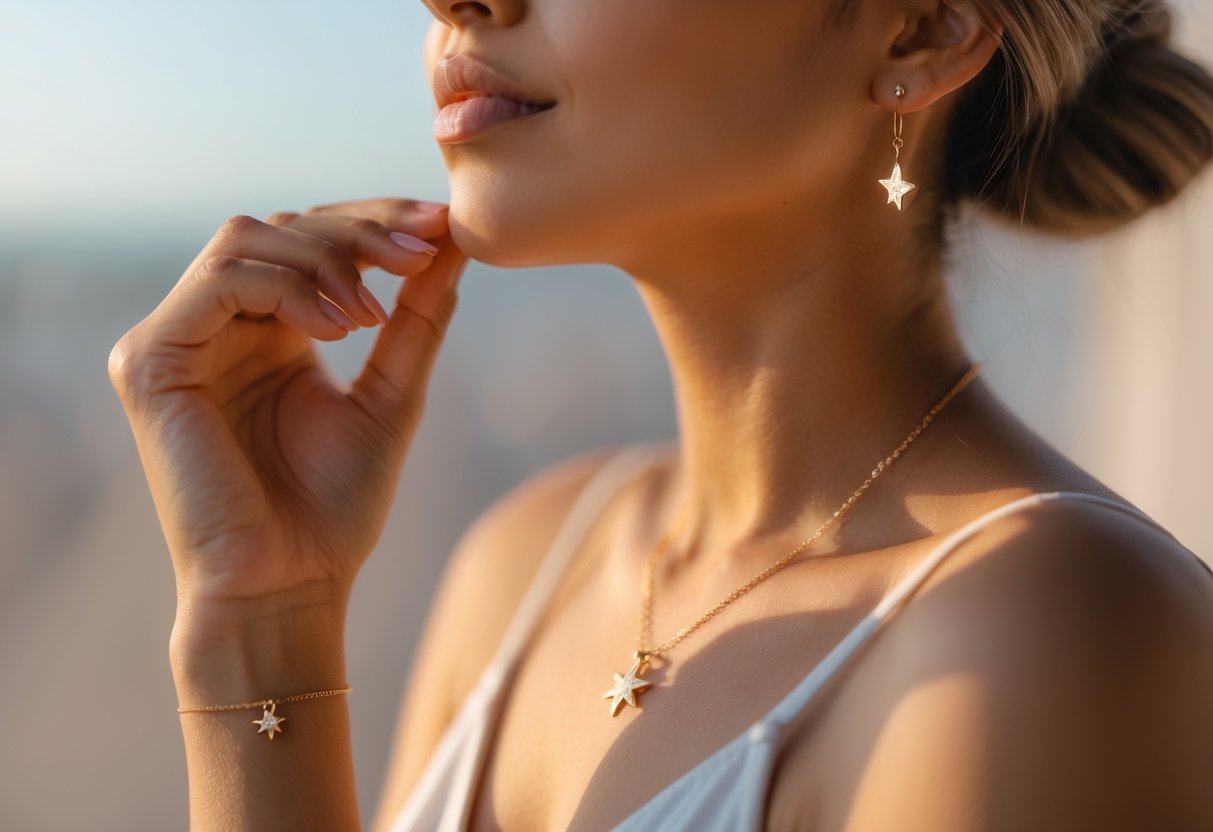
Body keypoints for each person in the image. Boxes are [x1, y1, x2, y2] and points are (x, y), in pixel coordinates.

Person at [107, 0, 1213, 829]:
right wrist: (262, 624)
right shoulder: (529, 561)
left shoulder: (1053, 627)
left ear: (918, 31)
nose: (458, 4)